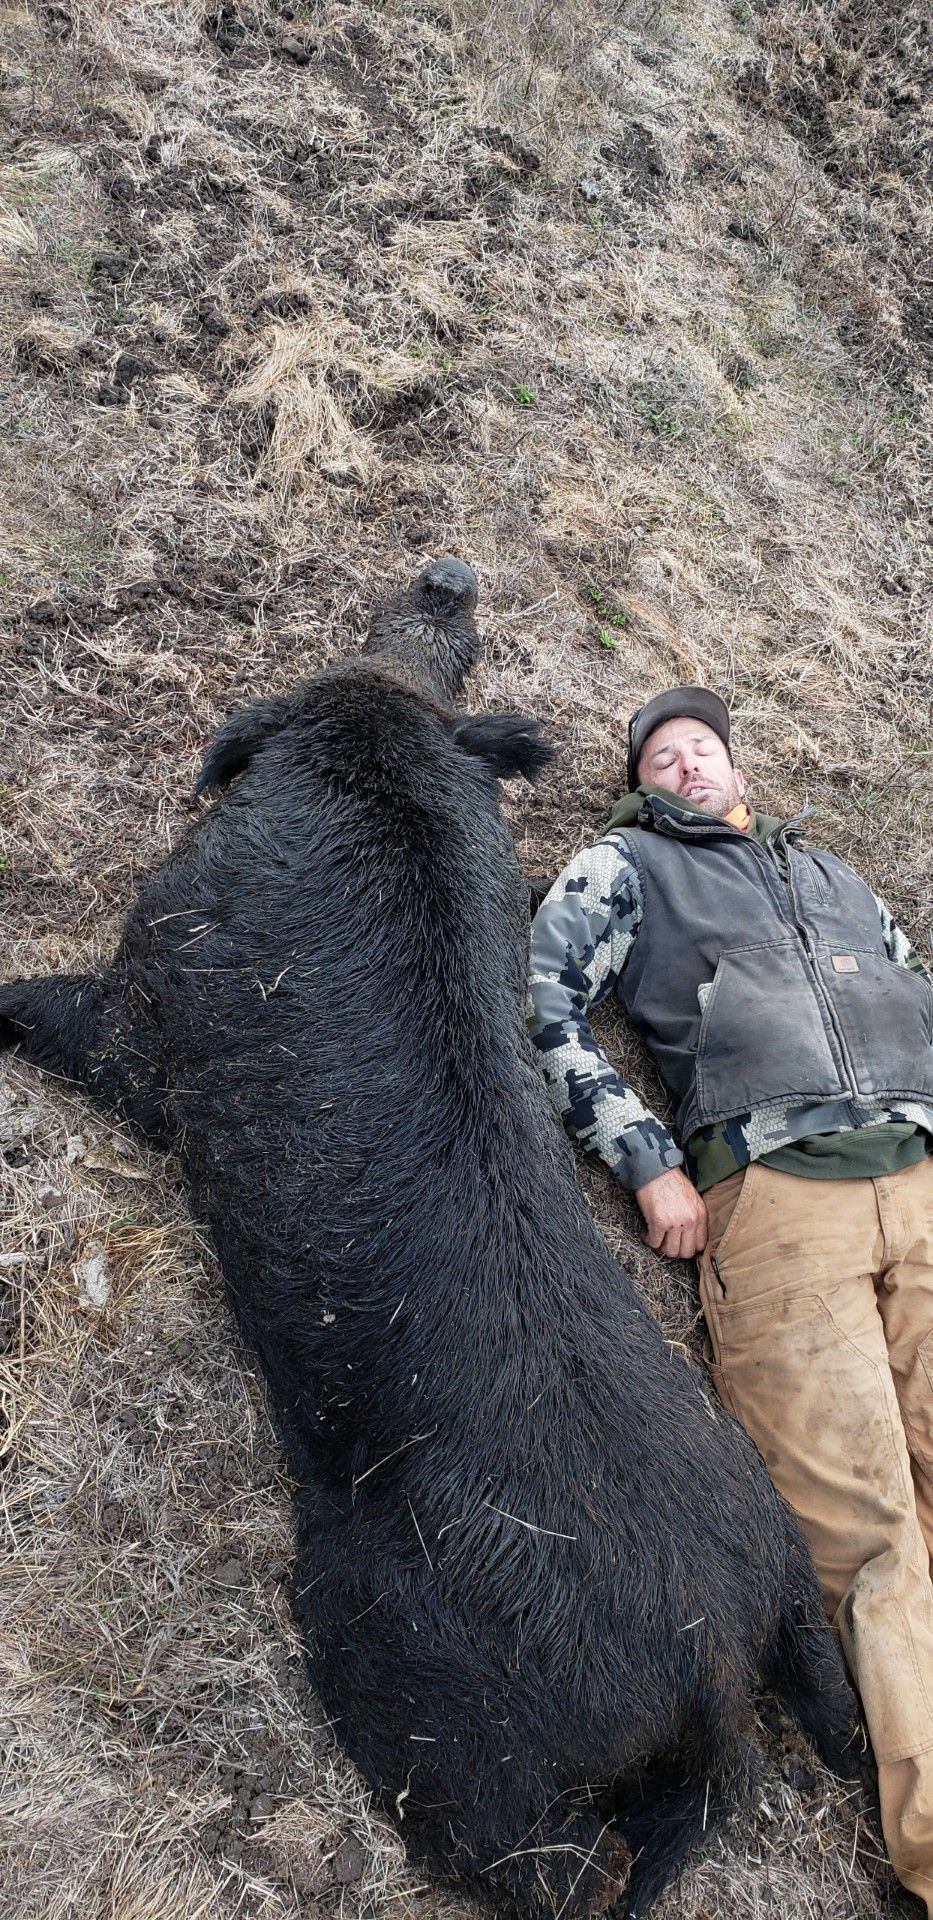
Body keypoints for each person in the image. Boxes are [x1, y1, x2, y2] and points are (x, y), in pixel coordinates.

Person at [527, 685, 933, 1916]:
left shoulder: (835, 874)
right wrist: (641, 1154)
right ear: (645, 782)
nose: (689, 759)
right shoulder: (623, 867)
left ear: (736, 761)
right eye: (664, 751)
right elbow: (541, 1002)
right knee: (875, 1540)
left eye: (704, 742)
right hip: (775, 1205)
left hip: (921, 1184)